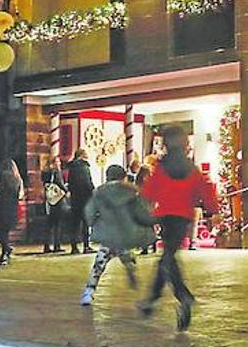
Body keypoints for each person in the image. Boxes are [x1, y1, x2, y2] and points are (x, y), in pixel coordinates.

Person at [139, 126, 219, 330]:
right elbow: (205, 190)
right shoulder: (192, 169)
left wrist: (143, 209)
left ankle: (176, 296)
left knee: (167, 256)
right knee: (168, 256)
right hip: (182, 217)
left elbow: (149, 191)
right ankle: (155, 297)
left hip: (165, 216)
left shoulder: (161, 167)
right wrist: (213, 210)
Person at [80, 165, 156, 306]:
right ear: (123, 176)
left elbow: (89, 212)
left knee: (99, 264)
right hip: (125, 234)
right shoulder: (132, 193)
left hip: (108, 235)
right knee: (127, 256)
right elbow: (141, 212)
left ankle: (89, 292)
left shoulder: (99, 193)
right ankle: (133, 277)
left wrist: (94, 224)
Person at [0, 158, 25, 266]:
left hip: (1, 207)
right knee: (5, 232)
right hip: (12, 208)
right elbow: (20, 195)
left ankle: (6, 249)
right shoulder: (18, 179)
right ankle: (4, 255)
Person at [65, 148, 95, 254]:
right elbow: (87, 182)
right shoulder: (84, 167)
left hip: (75, 198)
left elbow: (70, 183)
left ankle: (74, 247)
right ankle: (86, 246)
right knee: (86, 223)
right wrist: (92, 193)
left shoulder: (72, 167)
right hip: (85, 199)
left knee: (75, 224)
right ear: (82, 155)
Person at [41, 157, 67, 253]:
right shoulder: (56, 172)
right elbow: (60, 184)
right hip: (57, 200)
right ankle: (57, 245)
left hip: (49, 200)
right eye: (57, 161)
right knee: (57, 224)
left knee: (49, 224)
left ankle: (47, 245)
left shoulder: (45, 173)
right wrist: (66, 190)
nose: (59, 163)